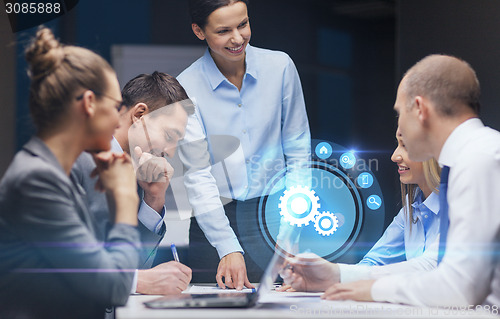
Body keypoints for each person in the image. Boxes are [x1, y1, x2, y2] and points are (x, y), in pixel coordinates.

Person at [286, 54, 500, 307]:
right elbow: (446, 269)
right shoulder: (478, 155)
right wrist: (339, 276)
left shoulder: (479, 159)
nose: (400, 128)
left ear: (420, 109)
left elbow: (458, 286)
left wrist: (372, 289)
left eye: (399, 112)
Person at [0, 27, 140, 319]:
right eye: (116, 106)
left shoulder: (54, 174)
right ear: (89, 103)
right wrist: (127, 197)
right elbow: (113, 286)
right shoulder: (36, 180)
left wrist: (116, 199)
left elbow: (98, 267)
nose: (118, 119)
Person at [177, 0, 311, 288]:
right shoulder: (186, 87)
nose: (238, 38)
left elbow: (298, 150)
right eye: (224, 30)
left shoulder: (280, 67)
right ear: (199, 31)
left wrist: (292, 228)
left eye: (243, 24)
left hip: (277, 215)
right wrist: (227, 246)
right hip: (214, 219)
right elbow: (197, 174)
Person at [72, 72, 193, 295]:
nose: (171, 151)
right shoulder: (75, 159)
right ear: (139, 114)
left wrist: (154, 198)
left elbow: (136, 266)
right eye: (169, 135)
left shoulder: (138, 177)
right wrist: (137, 282)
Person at [278, 130, 441, 291]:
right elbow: (374, 262)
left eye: (405, 146)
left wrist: (334, 275)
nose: (394, 156)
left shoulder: (458, 205)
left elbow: (431, 269)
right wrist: (326, 281)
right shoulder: (411, 208)